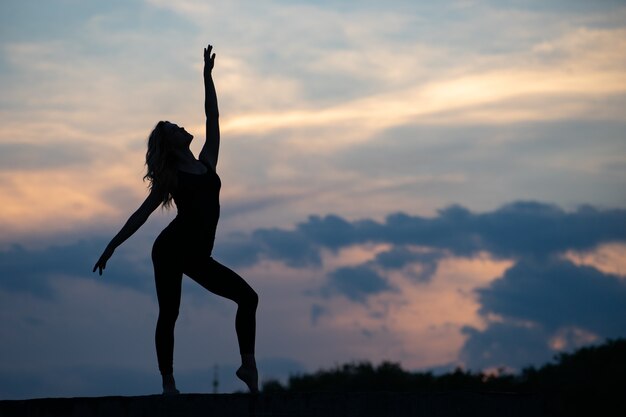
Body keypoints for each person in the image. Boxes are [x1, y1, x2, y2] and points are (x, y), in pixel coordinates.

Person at [93, 44, 259, 394]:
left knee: (248, 298)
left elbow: (212, 118)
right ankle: (168, 383)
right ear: (170, 143)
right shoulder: (171, 178)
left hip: (199, 255)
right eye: (173, 127)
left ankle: (247, 365)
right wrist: (112, 246)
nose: (182, 127)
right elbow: (141, 214)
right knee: (170, 314)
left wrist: (207, 77)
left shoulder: (206, 162)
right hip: (170, 250)